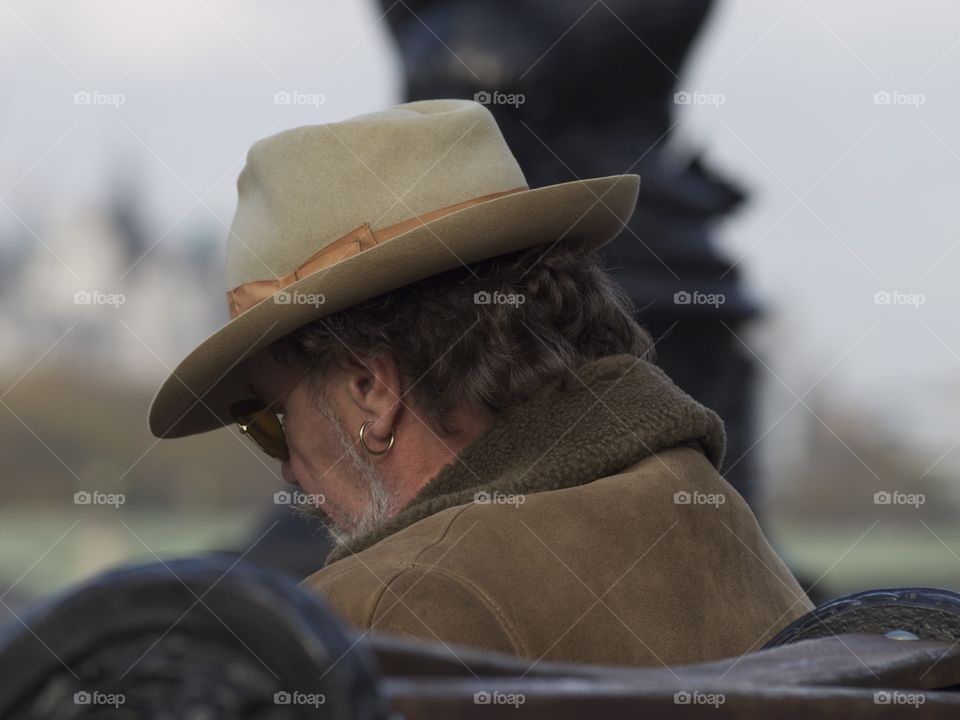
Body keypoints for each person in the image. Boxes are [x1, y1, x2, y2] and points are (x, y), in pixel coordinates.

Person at [148, 99, 812, 667]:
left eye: (270, 419)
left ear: (370, 390)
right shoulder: (709, 511)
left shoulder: (386, 605)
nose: (287, 469)